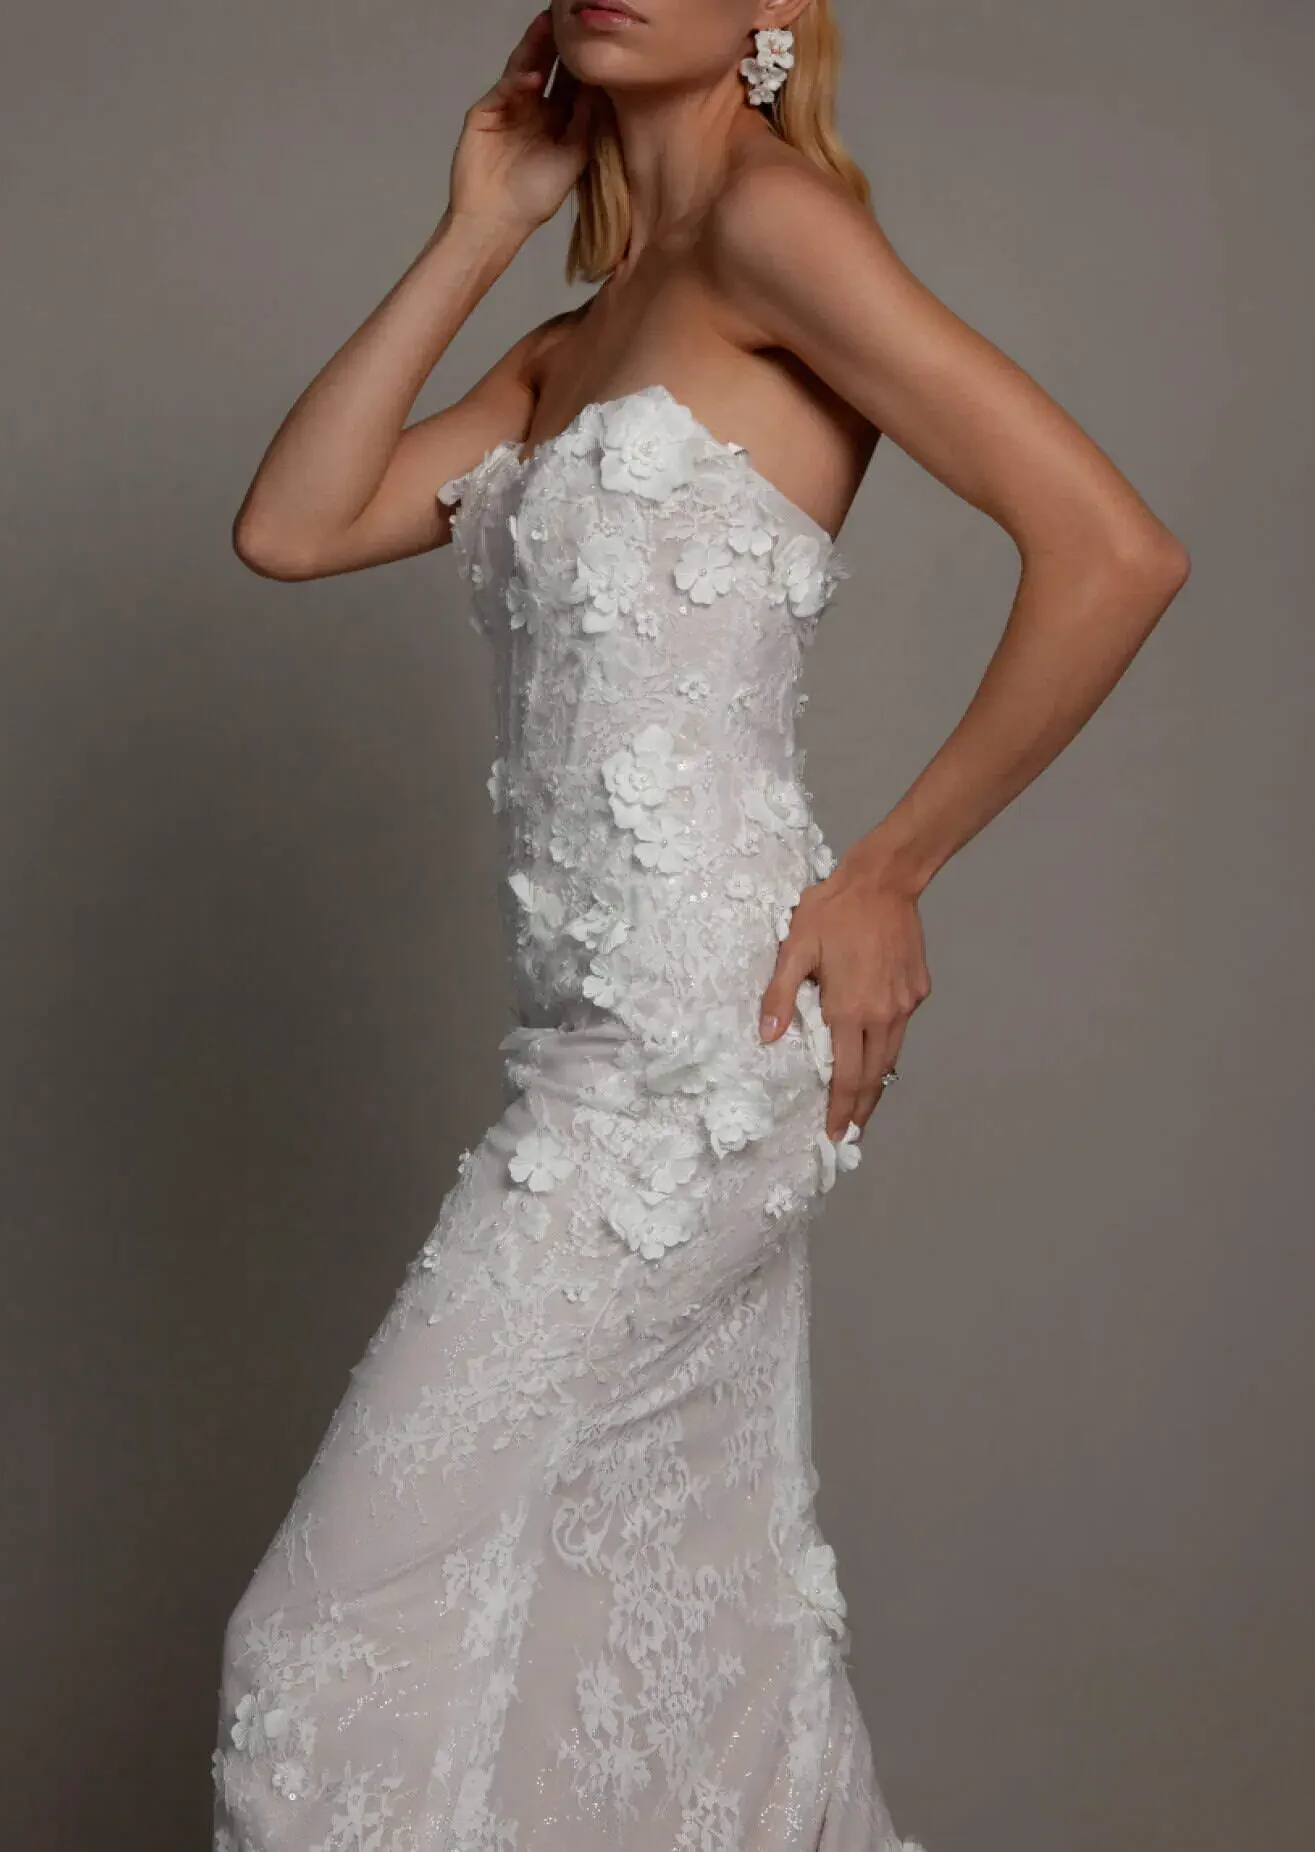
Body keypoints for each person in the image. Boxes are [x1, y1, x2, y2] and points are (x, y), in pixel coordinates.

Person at [212, 4, 1190, 1848]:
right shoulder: (569, 340)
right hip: (600, 1041)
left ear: (775, 12)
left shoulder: (773, 226)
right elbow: (292, 525)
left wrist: (892, 865)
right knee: (668, 1653)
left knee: (325, 1640)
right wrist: (479, 224)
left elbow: (1110, 547)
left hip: (695, 1052)